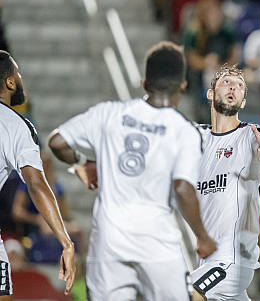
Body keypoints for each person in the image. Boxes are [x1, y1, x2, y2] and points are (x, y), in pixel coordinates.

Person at [48, 42, 216, 300]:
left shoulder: (109, 113)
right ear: (183, 85)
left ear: (144, 83)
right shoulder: (184, 131)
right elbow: (183, 188)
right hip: (157, 241)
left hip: (109, 240)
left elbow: (57, 141)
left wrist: (82, 162)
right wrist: (202, 236)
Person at [0, 51, 76, 297]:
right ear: (10, 82)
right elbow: (36, 185)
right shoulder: (16, 126)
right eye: (18, 74)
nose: (21, 78)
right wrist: (66, 242)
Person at [190, 66, 260, 300]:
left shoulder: (252, 137)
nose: (233, 87)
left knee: (185, 292)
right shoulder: (195, 138)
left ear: (243, 102)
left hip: (232, 260)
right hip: (207, 261)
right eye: (226, 82)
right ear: (210, 93)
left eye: (240, 85)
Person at [184, 0, 240, 118]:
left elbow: (234, 56)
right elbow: (191, 59)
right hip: (200, 75)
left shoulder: (227, 33)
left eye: (218, 13)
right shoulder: (194, 34)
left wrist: (222, 68)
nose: (216, 17)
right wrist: (206, 63)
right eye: (212, 14)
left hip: (223, 71)